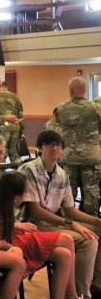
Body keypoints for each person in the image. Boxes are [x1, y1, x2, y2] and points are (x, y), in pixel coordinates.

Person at [0, 132, 90, 299]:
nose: (1, 156)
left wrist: (14, 223)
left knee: (64, 253)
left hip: (6, 229)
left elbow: (0, 211)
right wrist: (17, 224)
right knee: (65, 239)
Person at [20, 129, 101, 299]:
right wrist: (70, 224)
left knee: (97, 231)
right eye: (50, 144)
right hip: (31, 225)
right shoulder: (29, 170)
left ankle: (96, 289)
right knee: (88, 240)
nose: (55, 148)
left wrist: (96, 221)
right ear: (40, 148)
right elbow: (36, 210)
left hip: (50, 223)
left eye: (58, 145)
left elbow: (70, 210)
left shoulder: (62, 174)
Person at [52, 77, 101, 217]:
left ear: (71, 90)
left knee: (68, 191)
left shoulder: (61, 109)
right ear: (85, 90)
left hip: (69, 157)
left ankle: (69, 222)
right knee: (91, 191)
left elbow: (56, 131)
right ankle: (92, 223)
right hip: (92, 157)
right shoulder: (96, 108)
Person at [0, 82, 24, 164]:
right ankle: (18, 172)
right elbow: (21, 115)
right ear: (7, 86)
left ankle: (0, 173)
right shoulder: (15, 96)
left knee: (2, 151)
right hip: (15, 126)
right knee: (14, 151)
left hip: (2, 127)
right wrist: (21, 132)